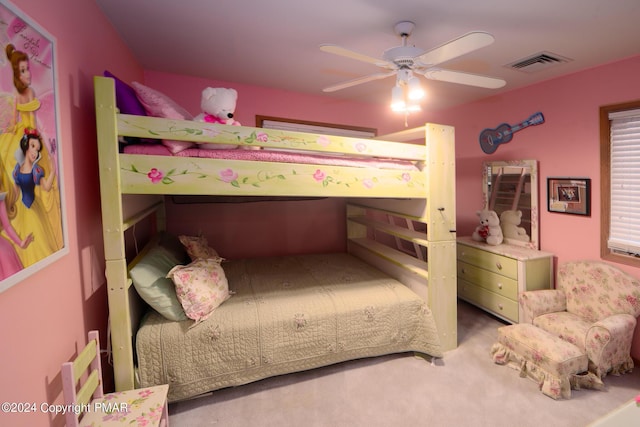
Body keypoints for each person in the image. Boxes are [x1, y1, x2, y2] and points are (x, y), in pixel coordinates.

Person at [0, 44, 63, 267]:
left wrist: (39, 144)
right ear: (17, 74)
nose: (28, 74)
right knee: (12, 162)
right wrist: (12, 131)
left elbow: (33, 122)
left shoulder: (30, 92)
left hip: (31, 134)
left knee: (36, 179)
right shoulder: (19, 94)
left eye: (28, 70)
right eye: (24, 71)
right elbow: (17, 118)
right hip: (24, 135)